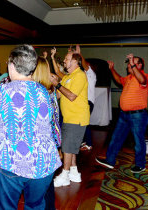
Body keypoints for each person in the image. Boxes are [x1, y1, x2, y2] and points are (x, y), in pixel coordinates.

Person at [0, 45, 61, 210]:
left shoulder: (2, 91)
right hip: (42, 162)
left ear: (11, 66)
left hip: (9, 161)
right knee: (35, 205)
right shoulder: (44, 91)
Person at [96, 54, 148, 173]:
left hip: (138, 116)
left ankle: (140, 164)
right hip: (124, 115)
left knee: (138, 141)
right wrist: (112, 69)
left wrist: (133, 65)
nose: (129, 65)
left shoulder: (144, 76)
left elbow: (142, 80)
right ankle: (110, 160)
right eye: (129, 63)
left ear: (139, 65)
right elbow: (119, 79)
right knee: (116, 138)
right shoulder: (129, 78)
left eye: (133, 63)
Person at [50, 52, 90, 187]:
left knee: (67, 147)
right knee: (70, 147)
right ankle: (74, 173)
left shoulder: (80, 75)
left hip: (77, 117)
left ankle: (65, 174)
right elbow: (60, 96)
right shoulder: (68, 77)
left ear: (75, 61)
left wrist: (57, 85)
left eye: (66, 59)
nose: (64, 62)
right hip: (69, 117)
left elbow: (72, 96)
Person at [33, 56, 62, 210]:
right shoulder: (49, 90)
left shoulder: (39, 92)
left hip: (41, 144)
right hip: (50, 143)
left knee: (39, 190)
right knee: (46, 186)